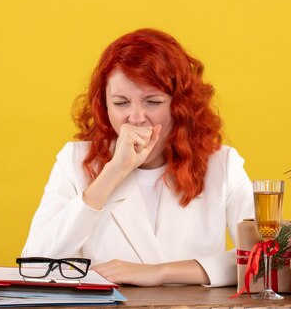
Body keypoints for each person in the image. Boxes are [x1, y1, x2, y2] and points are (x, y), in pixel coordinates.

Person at [22, 28, 254, 287]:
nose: (135, 117)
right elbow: (35, 264)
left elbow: (265, 258)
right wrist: (113, 172)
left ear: (180, 106)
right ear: (104, 106)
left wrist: (159, 272)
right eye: (121, 103)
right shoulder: (73, 161)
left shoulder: (223, 165)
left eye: (153, 102)